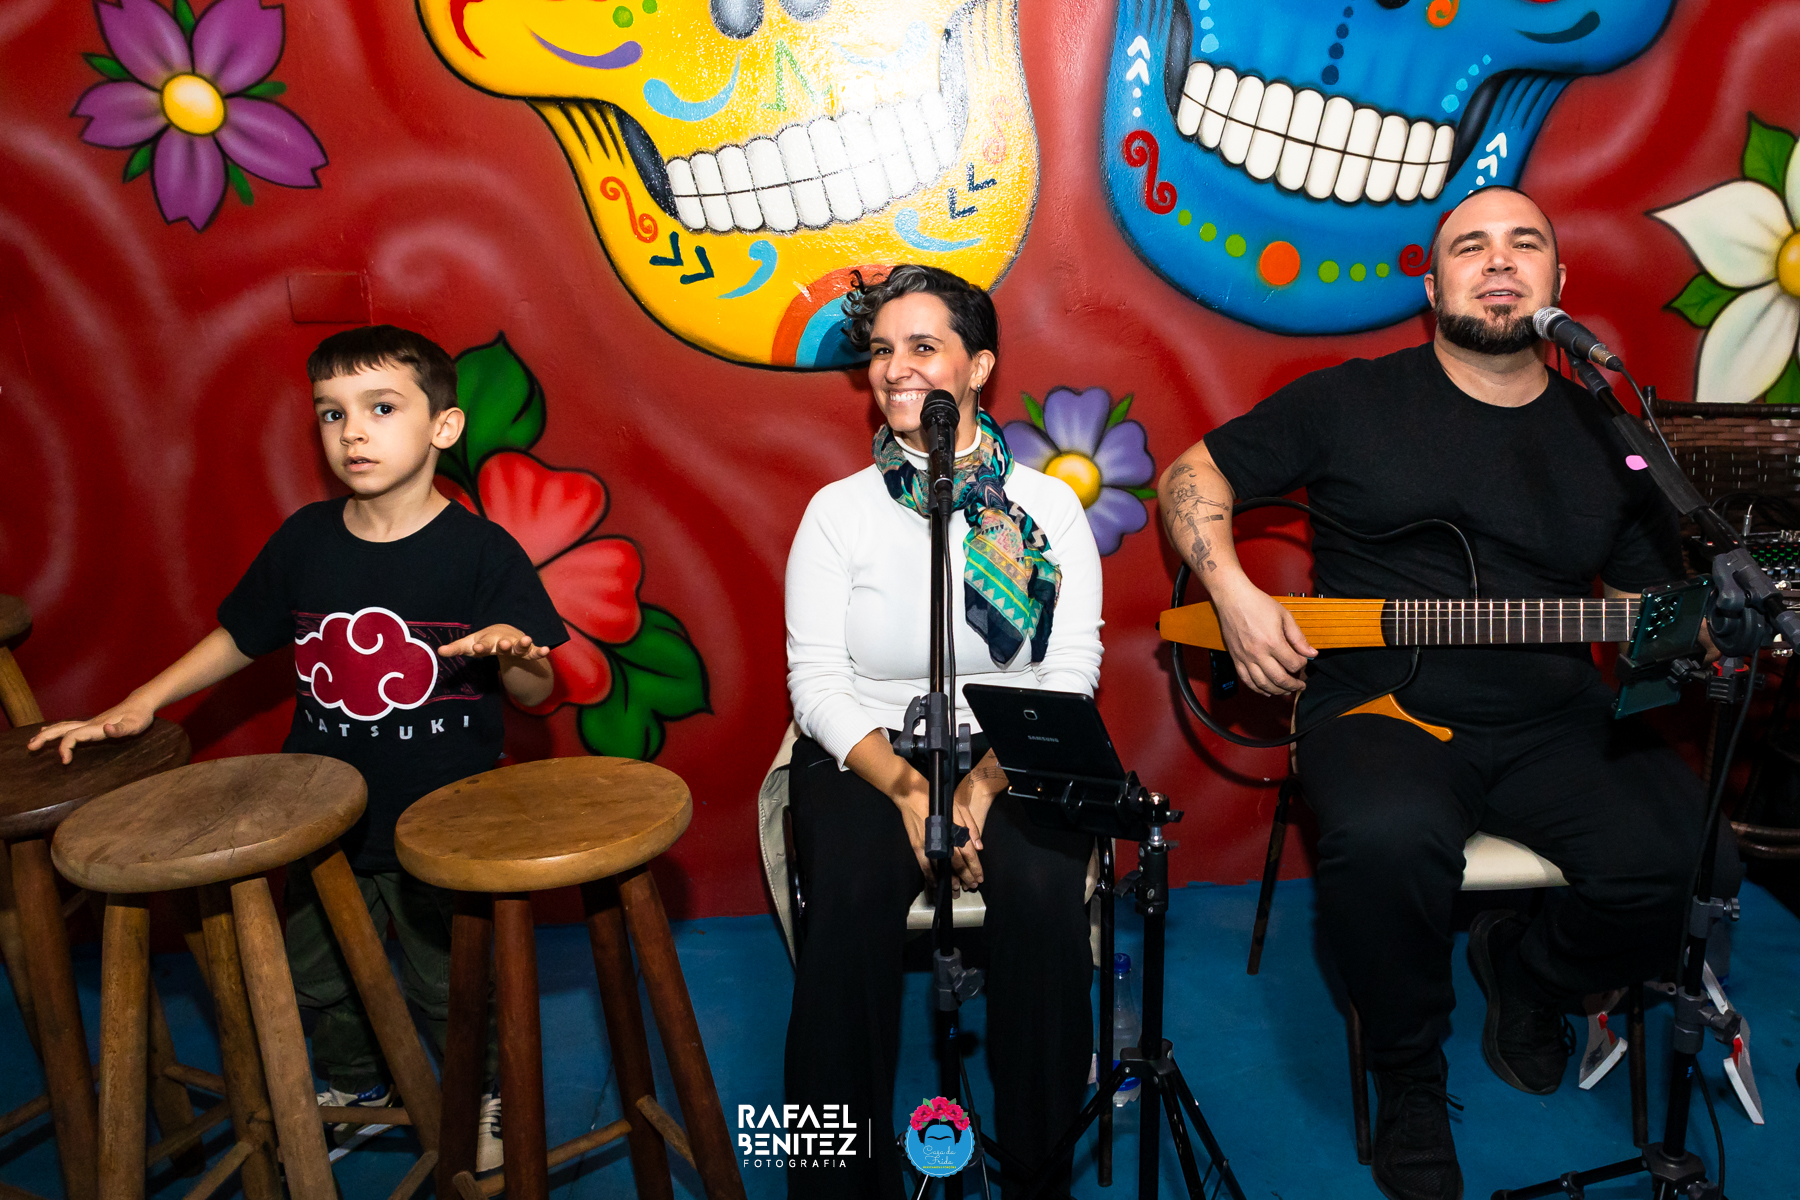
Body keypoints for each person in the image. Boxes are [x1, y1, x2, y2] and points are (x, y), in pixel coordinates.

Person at [1156, 188, 1712, 1200]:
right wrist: (1233, 594)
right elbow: (1192, 474)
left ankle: (1529, 977)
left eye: (1523, 244)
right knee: (1385, 840)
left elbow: (1643, 604)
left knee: (1685, 856)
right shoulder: (1350, 400)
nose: (1498, 262)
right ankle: (1408, 1075)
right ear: (1432, 285)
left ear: (1558, 282)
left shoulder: (1611, 434)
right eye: (1471, 247)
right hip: (1380, 706)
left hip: (1555, 715)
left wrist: (1697, 632)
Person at [30, 325, 566, 1175]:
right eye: (331, 413)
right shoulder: (305, 539)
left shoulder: (482, 552)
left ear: (444, 427)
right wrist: (142, 700)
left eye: (380, 408)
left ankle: (485, 1091)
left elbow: (538, 694)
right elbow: (239, 636)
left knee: (452, 983)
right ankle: (357, 1090)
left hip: (440, 819)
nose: (351, 432)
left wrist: (518, 656)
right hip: (319, 816)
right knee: (319, 976)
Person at [783, 265, 1104, 1198]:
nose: (896, 369)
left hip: (1014, 745)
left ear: (979, 368)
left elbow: (1070, 669)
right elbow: (816, 682)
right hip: (869, 747)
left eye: (924, 347)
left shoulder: (1048, 508)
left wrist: (982, 784)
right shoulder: (837, 512)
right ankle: (834, 1185)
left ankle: (1039, 1170)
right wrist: (908, 787)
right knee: (846, 901)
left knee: (1041, 894)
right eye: (883, 350)